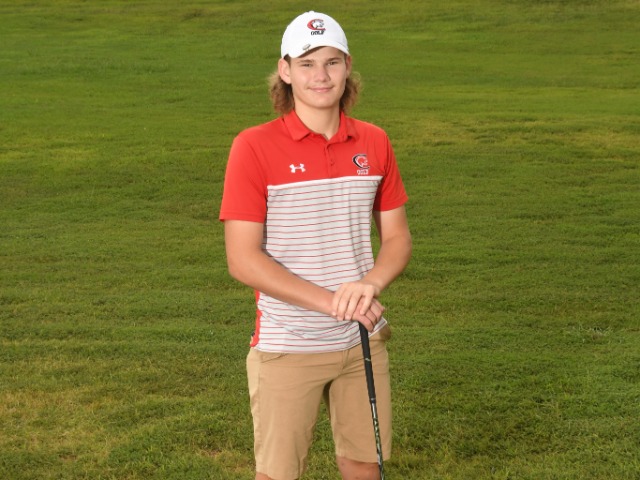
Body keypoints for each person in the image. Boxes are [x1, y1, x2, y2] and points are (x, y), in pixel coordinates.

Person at [219, 10, 411, 480]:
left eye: (331, 62)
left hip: (362, 338)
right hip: (288, 344)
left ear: (347, 66)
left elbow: (397, 238)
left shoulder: (375, 141)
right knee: (278, 474)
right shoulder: (253, 146)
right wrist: (334, 303)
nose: (320, 76)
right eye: (306, 64)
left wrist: (369, 285)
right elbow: (242, 260)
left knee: (364, 466)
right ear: (285, 70)